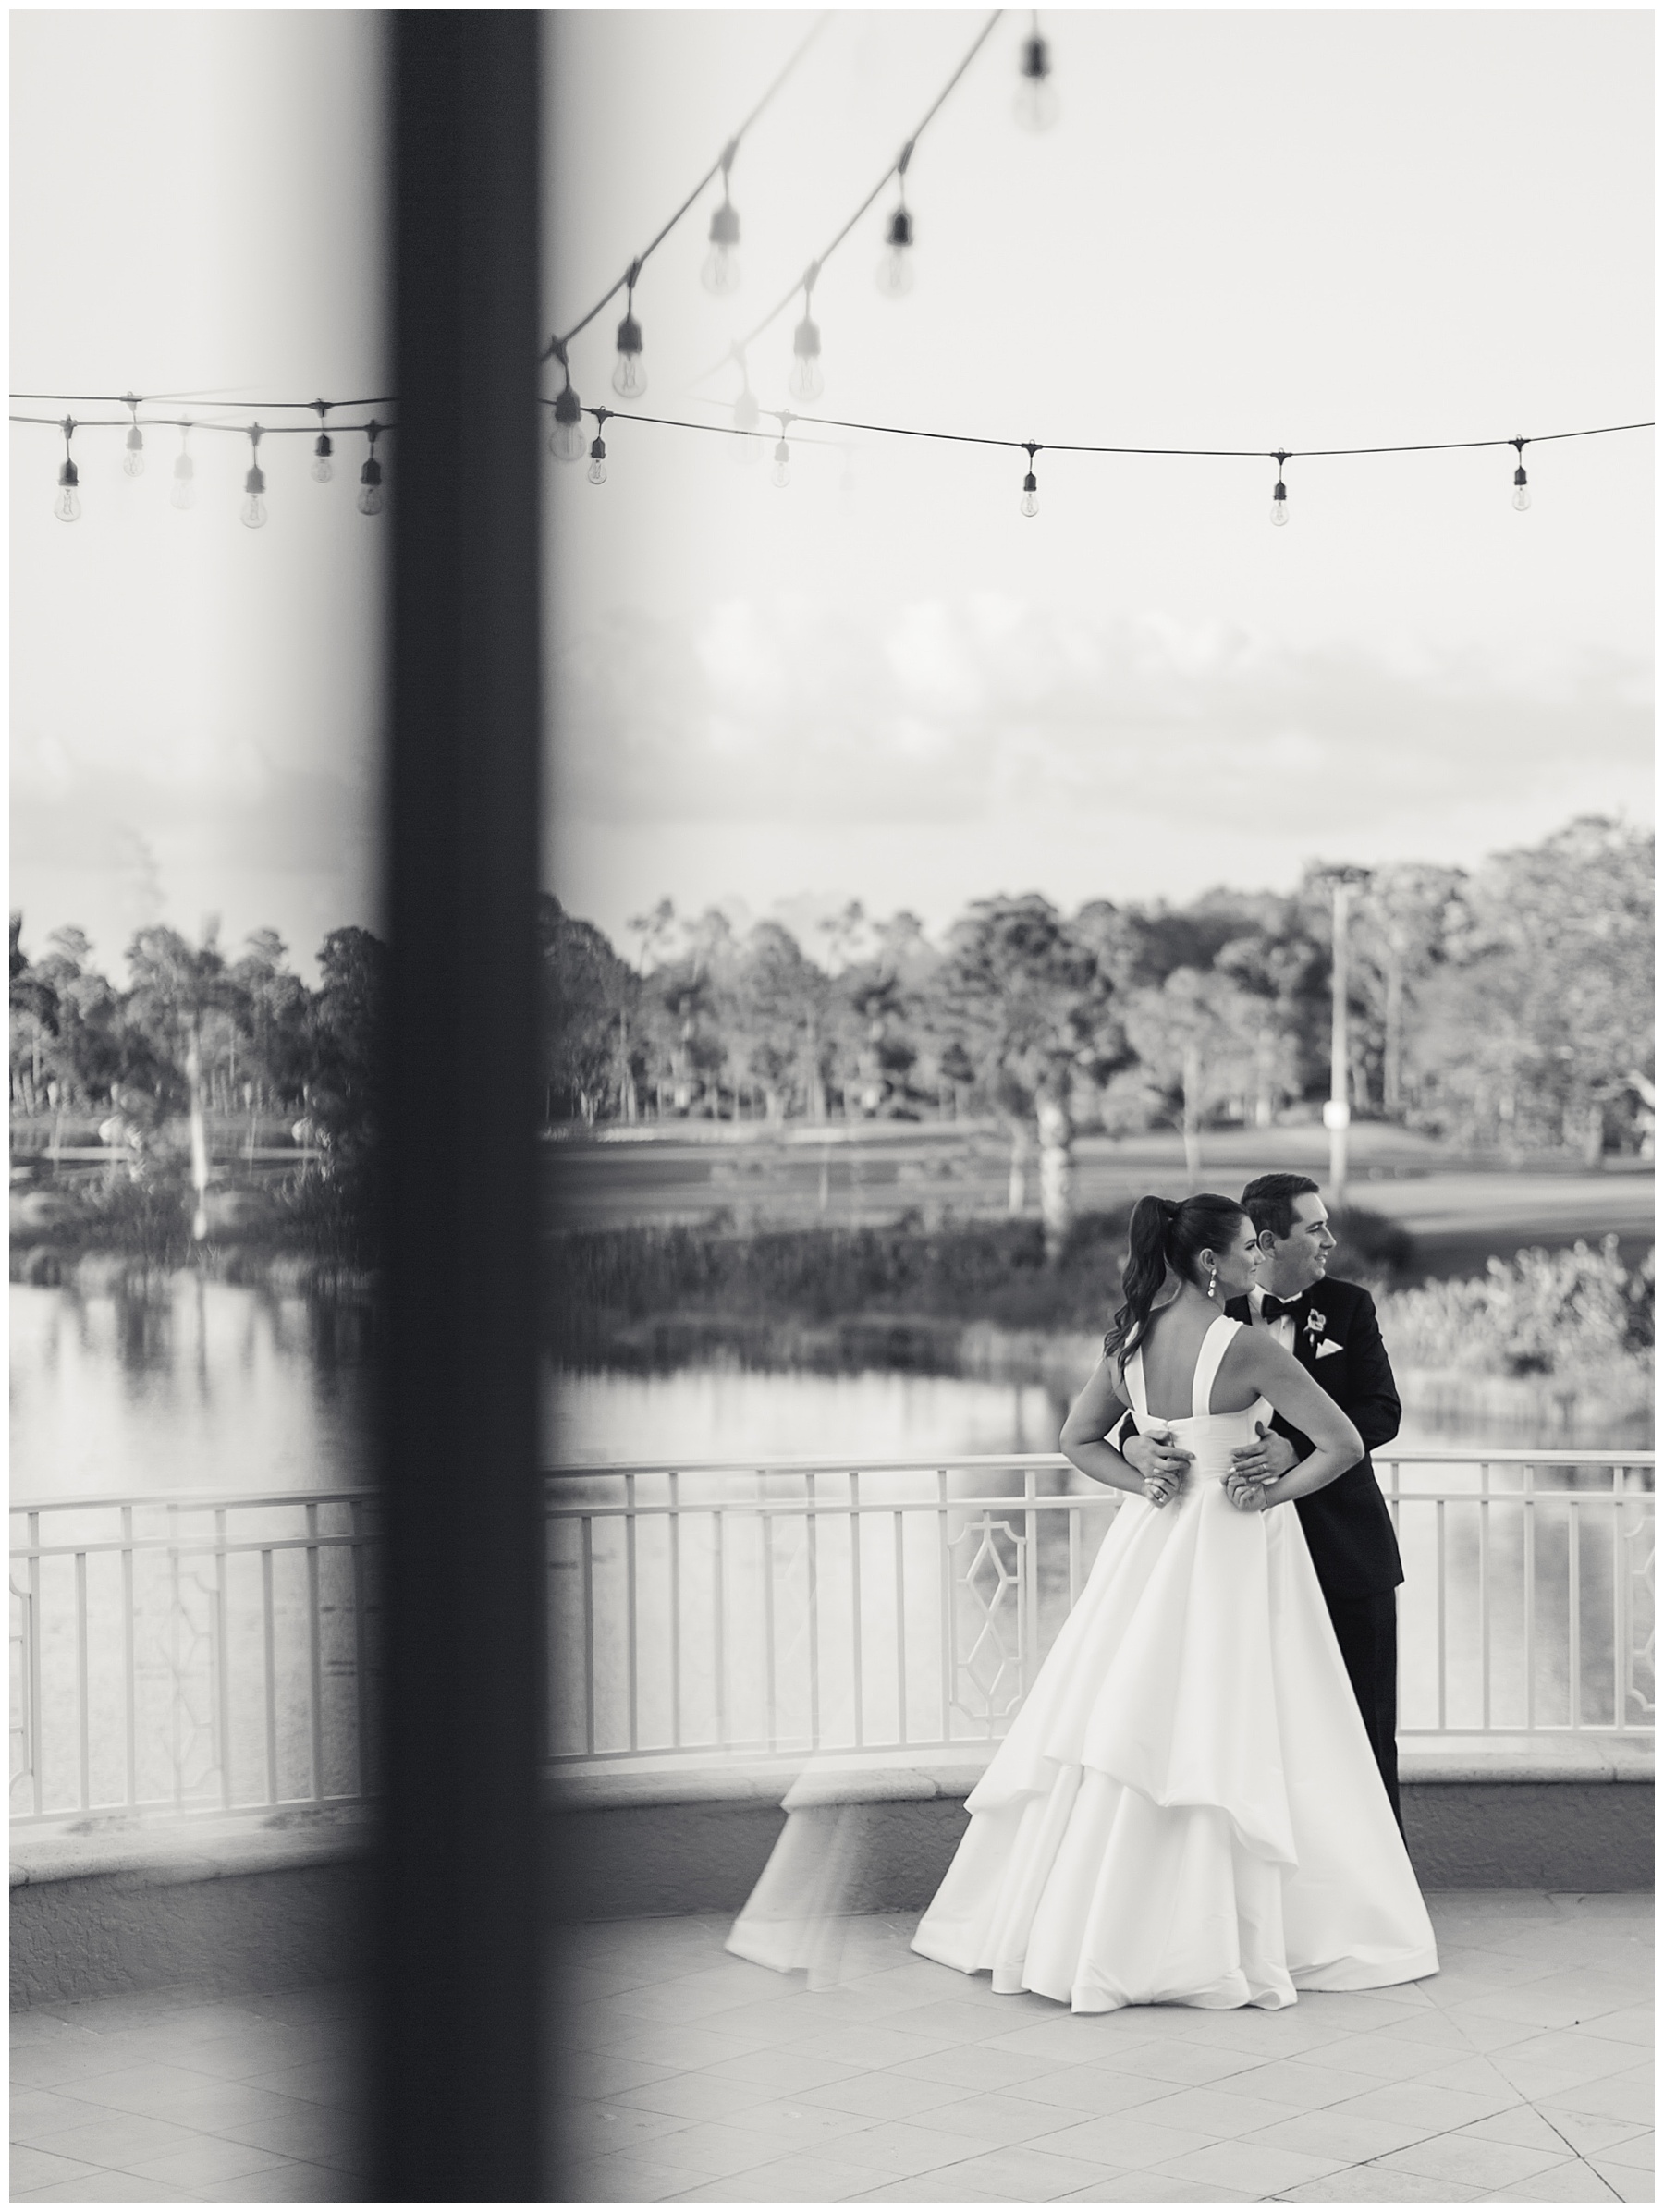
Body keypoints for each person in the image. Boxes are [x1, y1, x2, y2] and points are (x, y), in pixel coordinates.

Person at [911, 1192, 1436, 2013]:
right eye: (1247, 1251)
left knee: (1136, 1721)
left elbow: (1077, 1439)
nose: (1260, 1259)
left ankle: (1097, 1926)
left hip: (1150, 1548)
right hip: (1233, 1550)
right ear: (1210, 1264)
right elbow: (1341, 1442)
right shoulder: (1250, 1348)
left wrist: (1144, 1476)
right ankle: (1242, 1929)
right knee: (1250, 1720)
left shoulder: (1127, 1339)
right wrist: (1274, 1493)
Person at [1122, 1174, 1406, 1823]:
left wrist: (1295, 1447)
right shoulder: (1201, 1314)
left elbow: (1381, 1411)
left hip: (1342, 1545)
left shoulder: (1350, 1307)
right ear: (1268, 1240)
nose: (1330, 1239)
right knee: (1245, 1719)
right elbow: (1134, 1418)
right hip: (1231, 1558)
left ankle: (1384, 1882)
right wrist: (1139, 1451)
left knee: (1363, 1721)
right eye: (1316, 1228)